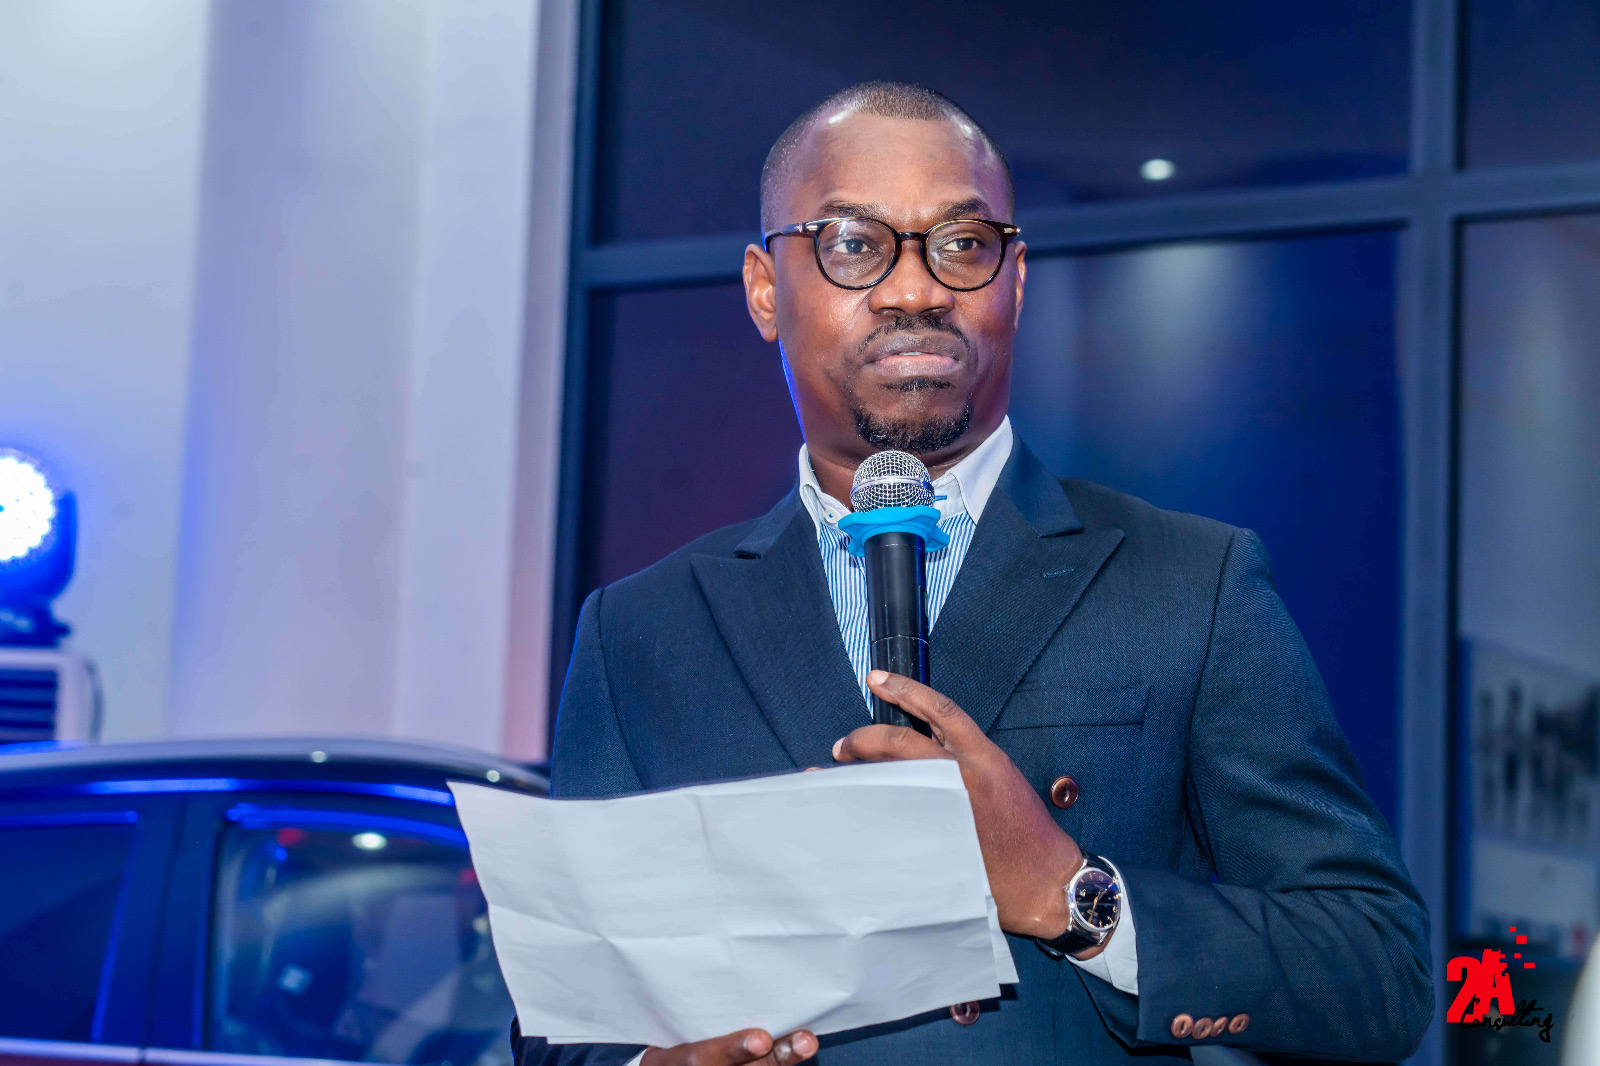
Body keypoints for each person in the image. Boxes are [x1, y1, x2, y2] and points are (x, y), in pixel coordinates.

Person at [513, 81, 1432, 1066]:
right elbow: (568, 1022)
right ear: (765, 289)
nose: (915, 291)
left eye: (960, 243)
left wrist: (1072, 895)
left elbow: (1378, 972)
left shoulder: (1188, 582)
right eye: (854, 243)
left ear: (1016, 280)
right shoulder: (640, 631)